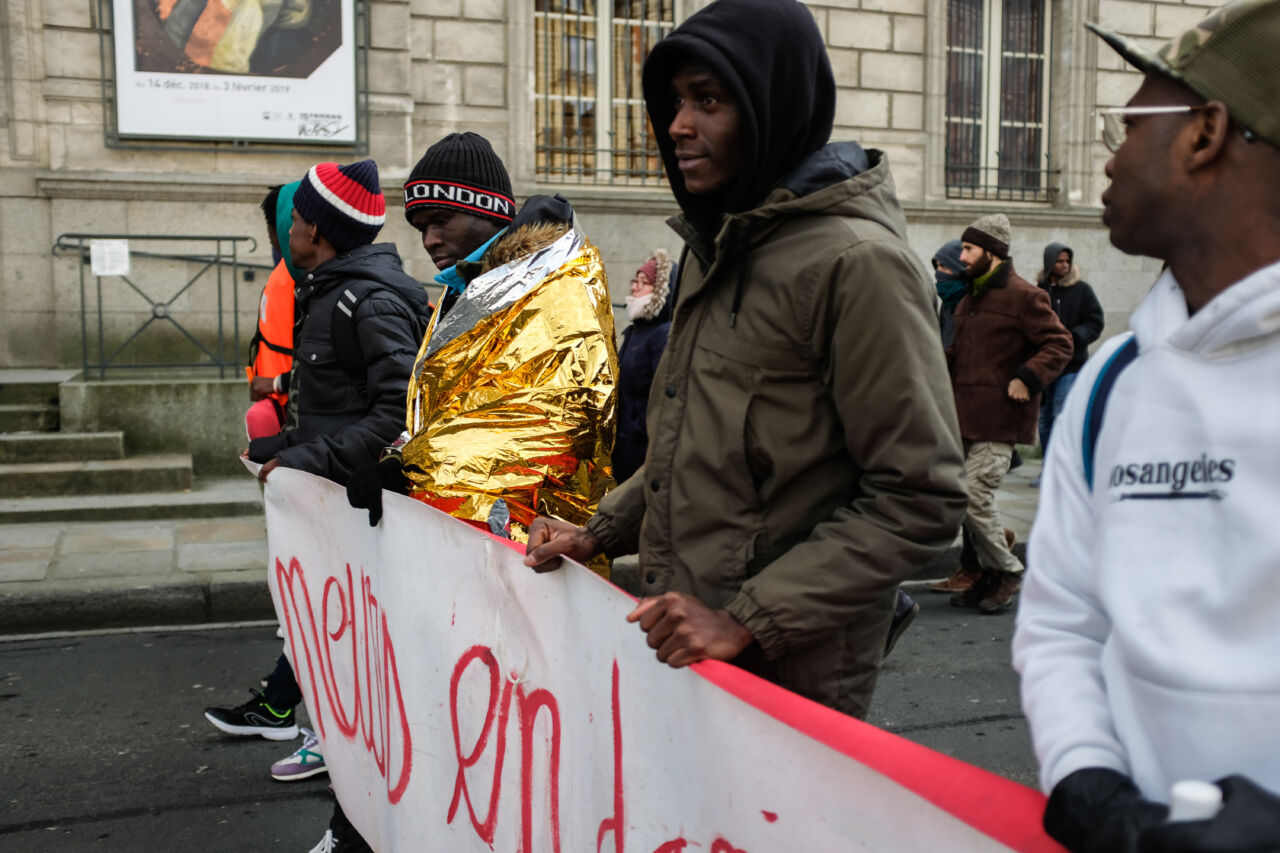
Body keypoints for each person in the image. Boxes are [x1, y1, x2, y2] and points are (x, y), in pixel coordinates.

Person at [523, 0, 967, 721]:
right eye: (675, 102)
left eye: (709, 100)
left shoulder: (860, 265)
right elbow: (689, 439)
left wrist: (749, 619)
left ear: (772, 107)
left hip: (789, 672)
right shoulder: (718, 246)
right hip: (684, 645)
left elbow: (920, 495)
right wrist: (600, 532)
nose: (678, 126)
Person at [1013, 2, 1280, 850]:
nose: (1112, 155)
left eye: (1129, 126)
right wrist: (1086, 785)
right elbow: (1061, 621)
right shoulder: (1111, 383)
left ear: (1205, 132)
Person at [330, 132, 617, 853]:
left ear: (487, 212)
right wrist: (402, 455)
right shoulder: (471, 287)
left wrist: (415, 468)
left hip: (532, 547)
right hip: (473, 542)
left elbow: (558, 414)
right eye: (418, 223)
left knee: (518, 742)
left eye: (440, 221)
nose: (427, 237)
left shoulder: (559, 283)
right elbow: (458, 411)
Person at [204, 159, 429, 779]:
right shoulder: (330, 289)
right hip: (331, 492)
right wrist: (288, 443)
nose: (290, 232)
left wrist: (303, 458)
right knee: (328, 628)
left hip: (359, 501)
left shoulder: (369, 300)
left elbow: (396, 415)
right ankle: (337, 739)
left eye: (297, 221)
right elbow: (341, 409)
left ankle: (351, 756)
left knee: (351, 632)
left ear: (318, 234)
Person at [939, 213, 1071, 614]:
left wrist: (1028, 378)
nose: (962, 256)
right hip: (963, 418)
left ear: (992, 253)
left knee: (975, 495)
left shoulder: (1025, 296)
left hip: (1001, 419)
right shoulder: (967, 300)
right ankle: (987, 574)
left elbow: (1059, 343)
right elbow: (956, 357)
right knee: (961, 501)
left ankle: (1009, 570)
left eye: (968, 248)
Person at [928, 239, 1016, 595]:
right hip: (952, 411)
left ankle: (981, 568)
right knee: (959, 493)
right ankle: (988, 552)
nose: (939, 275)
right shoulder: (949, 307)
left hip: (983, 415)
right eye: (936, 268)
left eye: (945, 268)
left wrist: (1021, 382)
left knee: (970, 492)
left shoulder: (979, 306)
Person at [1032, 242, 1104, 486]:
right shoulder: (1039, 291)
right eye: (1059, 261)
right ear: (1049, 262)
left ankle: (1064, 471)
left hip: (1071, 366)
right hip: (1044, 365)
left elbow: (1095, 321)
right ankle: (1048, 470)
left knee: (1061, 415)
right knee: (1044, 420)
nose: (1064, 265)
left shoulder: (1082, 290)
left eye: (1067, 261)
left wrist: (1073, 338)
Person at [613, 249, 676, 484]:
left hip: (641, 447)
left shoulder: (663, 334)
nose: (634, 288)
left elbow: (662, 391)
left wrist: (637, 430)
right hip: (624, 441)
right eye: (635, 280)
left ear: (661, 292)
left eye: (644, 282)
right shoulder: (636, 331)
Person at [244, 181, 300, 441]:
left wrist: (276, 383)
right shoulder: (284, 276)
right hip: (278, 405)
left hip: (301, 410)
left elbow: (330, 366)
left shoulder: (311, 283)